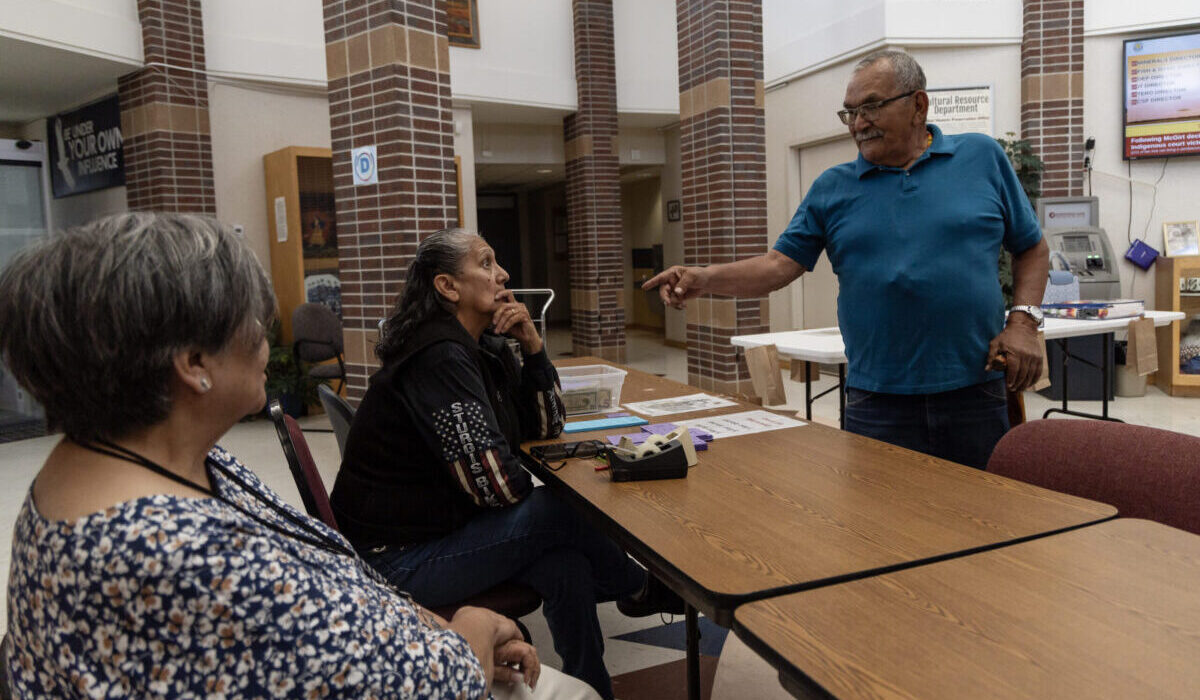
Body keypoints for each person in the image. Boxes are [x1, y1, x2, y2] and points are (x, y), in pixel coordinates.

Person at [0, 212, 599, 699]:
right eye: (250, 322)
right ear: (192, 364)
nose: (268, 338)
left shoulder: (157, 462)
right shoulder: (171, 547)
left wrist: (438, 625)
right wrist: (472, 628)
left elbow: (332, 583)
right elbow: (432, 687)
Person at [644, 50, 1049, 469]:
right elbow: (778, 265)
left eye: (871, 107)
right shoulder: (832, 188)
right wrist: (704, 278)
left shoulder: (981, 158)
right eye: (850, 113)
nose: (858, 124)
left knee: (987, 520)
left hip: (974, 390)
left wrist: (1022, 323)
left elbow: (1032, 246)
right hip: (877, 402)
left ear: (918, 105)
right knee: (878, 528)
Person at [329, 228, 682, 700]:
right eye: (487, 263)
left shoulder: (480, 349)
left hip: (440, 533)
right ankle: (639, 589)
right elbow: (494, 485)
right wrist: (519, 477)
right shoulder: (437, 358)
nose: (504, 275)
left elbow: (547, 425)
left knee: (566, 562)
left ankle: (591, 690)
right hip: (396, 562)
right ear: (448, 287)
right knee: (559, 510)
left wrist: (533, 347)